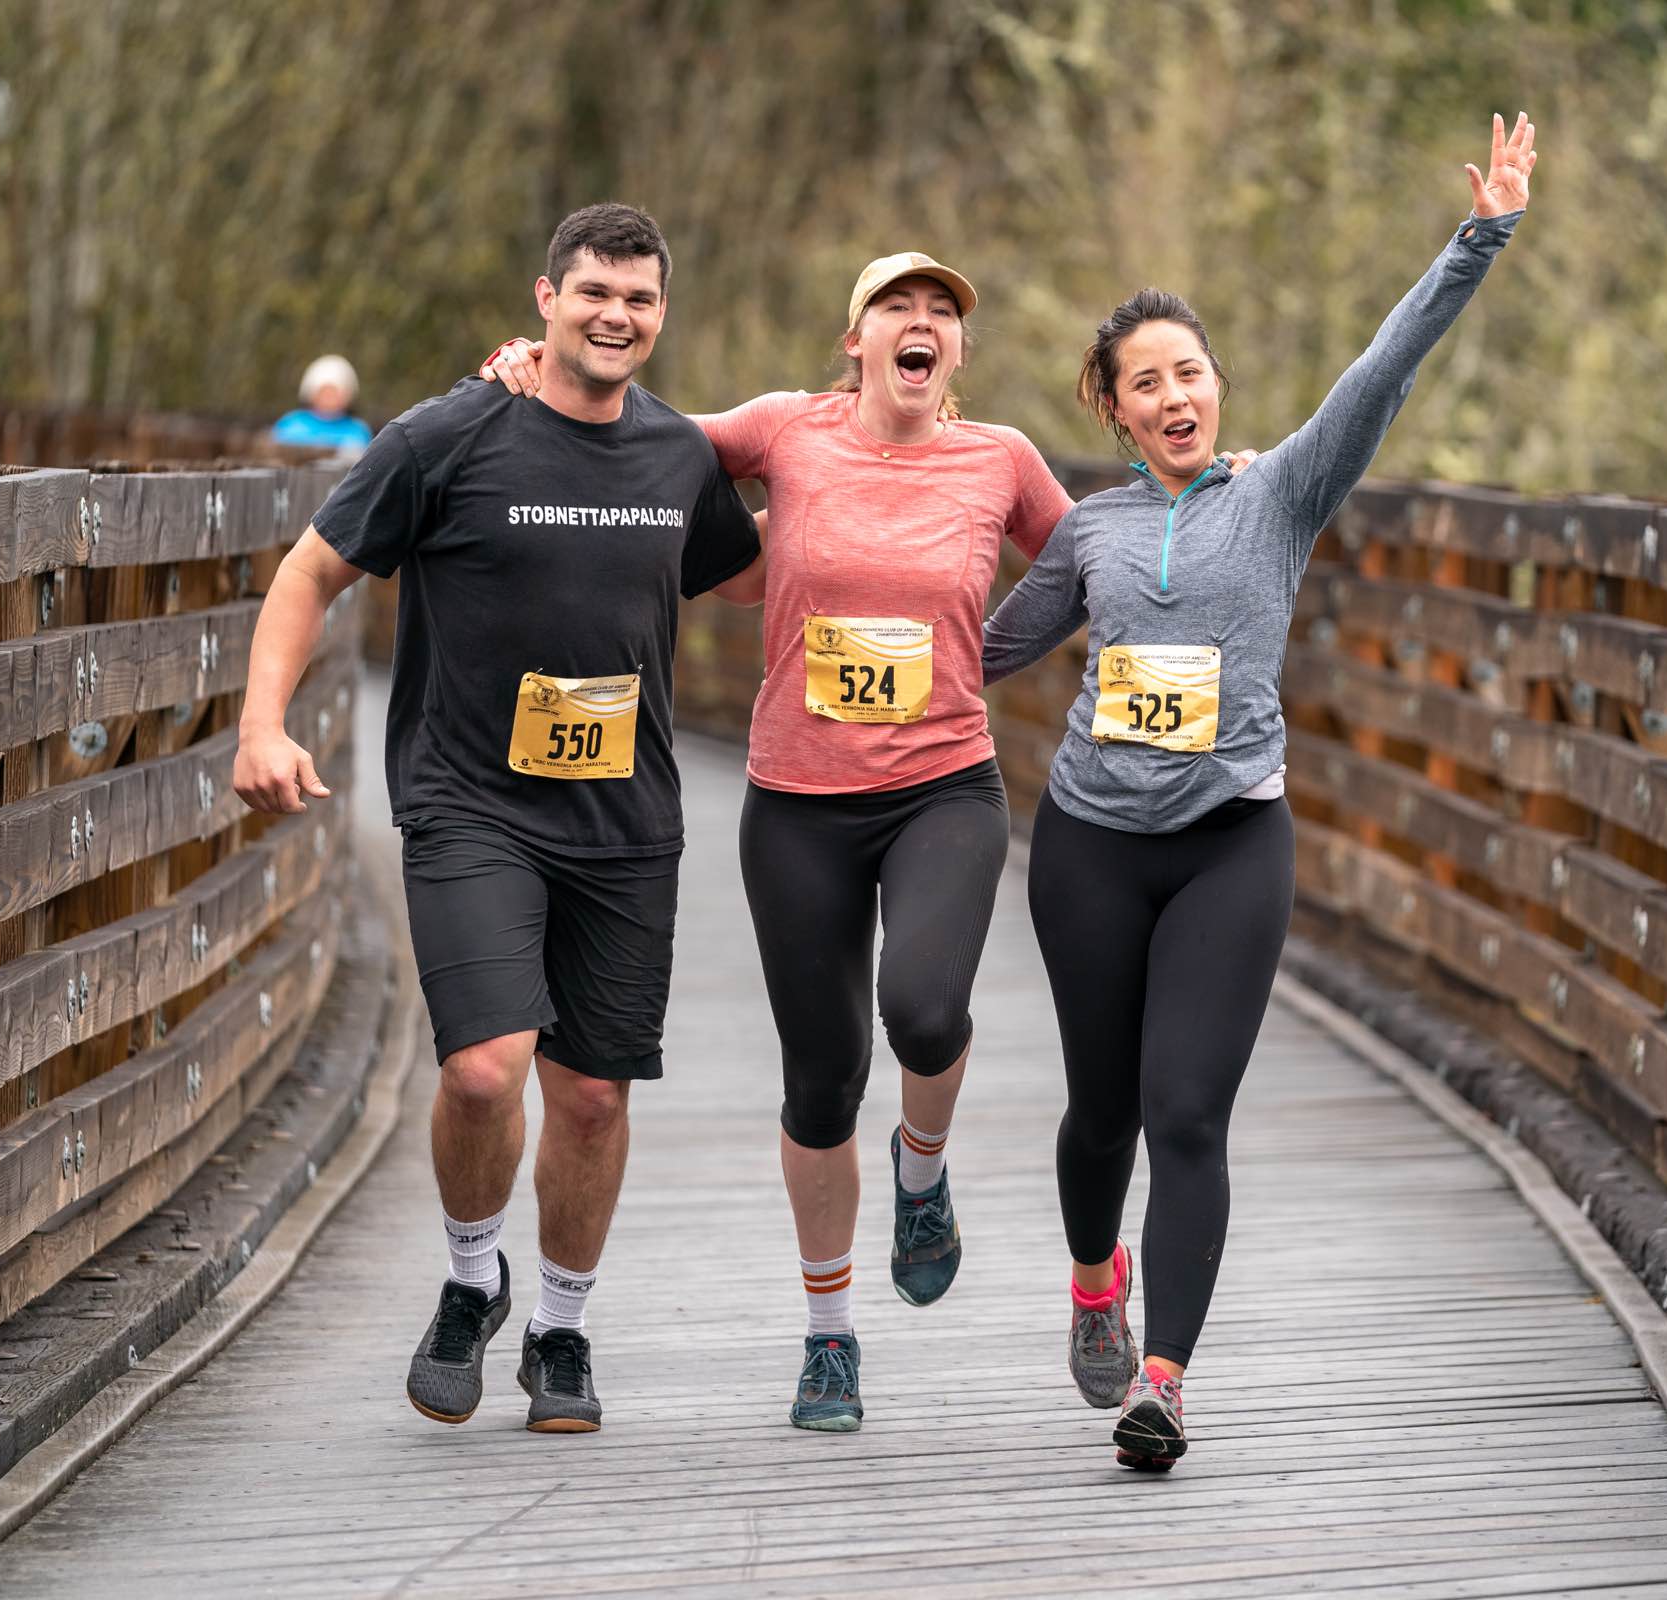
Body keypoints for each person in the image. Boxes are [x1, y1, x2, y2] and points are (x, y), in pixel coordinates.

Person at [982, 112, 1537, 1471]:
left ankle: (1160, 1382)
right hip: (1090, 848)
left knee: (1185, 1110)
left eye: (1193, 372)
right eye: (1146, 382)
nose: (1176, 396)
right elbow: (977, 650)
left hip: (1233, 841)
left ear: (1215, 385)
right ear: (1107, 408)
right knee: (1100, 1111)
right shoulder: (1091, 530)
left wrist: (1481, 236)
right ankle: (1093, 1282)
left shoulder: (1279, 493)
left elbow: (1381, 373)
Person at [483, 252, 1074, 1431]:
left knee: (924, 1008)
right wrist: (531, 374)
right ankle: (829, 1337)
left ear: (958, 354)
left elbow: (1087, 558)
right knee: (820, 1079)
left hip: (943, 787)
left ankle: (922, 1167)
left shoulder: (999, 457)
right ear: (853, 342)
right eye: (896, 310)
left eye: (942, 316)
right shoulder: (784, 432)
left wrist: (990, 653)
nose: (921, 325)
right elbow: (633, 434)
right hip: (797, 799)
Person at [234, 203, 761, 1435]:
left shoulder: (678, 456)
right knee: (483, 1067)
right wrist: (262, 726)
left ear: (660, 315)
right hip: (473, 801)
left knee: (591, 1099)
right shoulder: (448, 435)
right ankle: (475, 1280)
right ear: (545, 298)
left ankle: (563, 1327)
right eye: (593, 293)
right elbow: (311, 572)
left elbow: (754, 563)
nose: (615, 316)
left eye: (638, 300)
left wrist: (902, 498)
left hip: (627, 822)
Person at [271, 354, 375, 453]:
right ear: (311, 393)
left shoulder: (358, 430)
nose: (330, 398)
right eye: (324, 391)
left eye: (335, 392)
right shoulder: (291, 424)